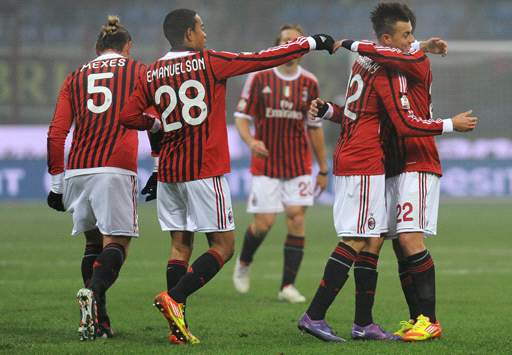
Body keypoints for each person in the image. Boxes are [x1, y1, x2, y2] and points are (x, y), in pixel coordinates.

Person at [119, 8, 335, 344]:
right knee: (224, 246)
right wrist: (311, 43)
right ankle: (174, 298)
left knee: (180, 246)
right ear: (189, 34)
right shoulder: (209, 60)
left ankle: (177, 327)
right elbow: (261, 59)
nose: (205, 34)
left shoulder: (150, 73)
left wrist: (157, 124)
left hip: (169, 173)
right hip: (204, 169)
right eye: (201, 28)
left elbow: (129, 115)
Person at [298, 4, 478, 342]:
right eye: (406, 35)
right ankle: (359, 321)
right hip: (380, 161)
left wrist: (413, 48)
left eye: (413, 34)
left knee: (392, 239)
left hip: (413, 160)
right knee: (374, 240)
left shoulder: (397, 63)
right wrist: (330, 109)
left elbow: (396, 113)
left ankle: (422, 320)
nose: (412, 41)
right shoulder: (384, 62)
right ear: (386, 38)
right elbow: (373, 113)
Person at [47, 16, 157, 341]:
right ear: (128, 47)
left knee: (93, 243)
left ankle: (100, 322)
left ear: (97, 49)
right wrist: (158, 163)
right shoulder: (139, 71)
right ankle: (92, 295)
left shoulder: (75, 76)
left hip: (78, 169)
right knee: (118, 244)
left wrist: (56, 183)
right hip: (115, 168)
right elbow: (151, 119)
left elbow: (56, 134)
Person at [232, 24, 328, 304]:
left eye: (297, 42)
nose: (292, 46)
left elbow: (314, 126)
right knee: (264, 223)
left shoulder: (309, 82)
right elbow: (240, 116)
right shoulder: (260, 77)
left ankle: (287, 285)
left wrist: (322, 168)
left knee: (297, 218)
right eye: (287, 41)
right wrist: (251, 142)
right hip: (266, 163)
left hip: (298, 163)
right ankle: (244, 262)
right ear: (277, 46)